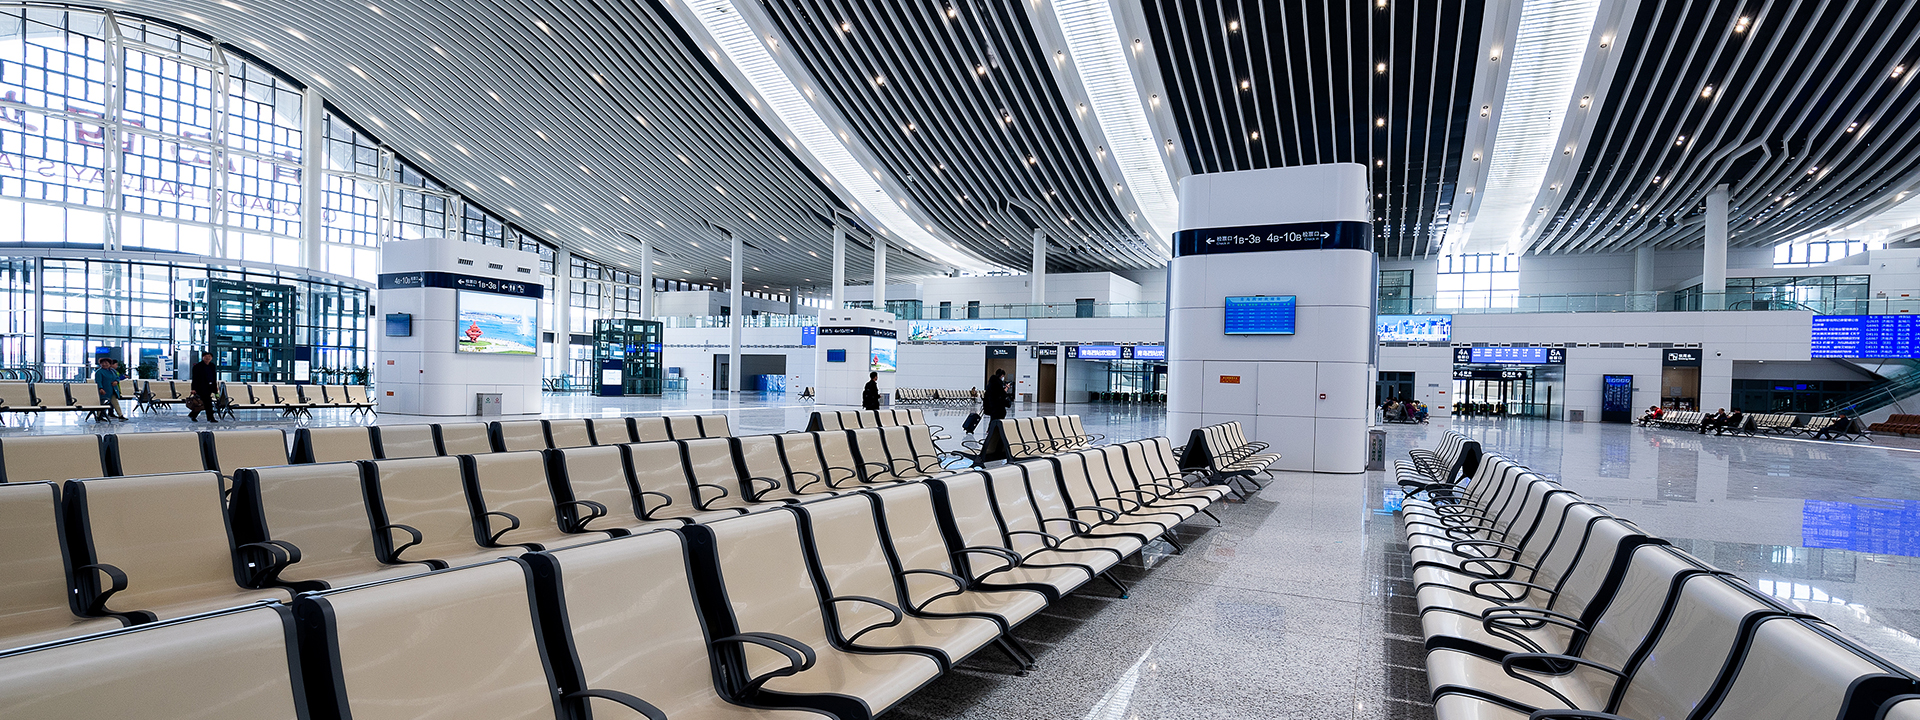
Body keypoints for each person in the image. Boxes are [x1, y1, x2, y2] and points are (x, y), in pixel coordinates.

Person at [189, 351, 219, 423]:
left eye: (209, 357)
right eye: (206, 356)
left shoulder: (212, 366)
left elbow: (214, 377)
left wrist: (215, 387)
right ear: (202, 357)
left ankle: (193, 414)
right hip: (200, 387)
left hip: (210, 386)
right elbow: (195, 378)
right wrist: (193, 389)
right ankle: (210, 418)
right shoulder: (197, 366)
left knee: (203, 403)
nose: (208, 358)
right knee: (207, 402)